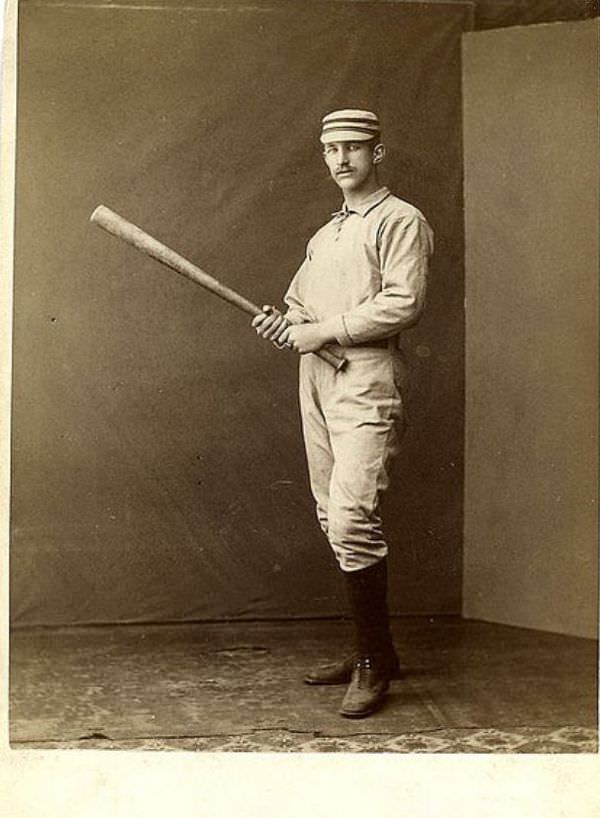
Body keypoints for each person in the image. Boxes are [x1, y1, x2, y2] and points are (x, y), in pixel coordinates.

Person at [252, 109, 433, 718]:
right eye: (331, 149)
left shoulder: (400, 220)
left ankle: (373, 661)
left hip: (366, 373)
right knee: (331, 513)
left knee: (353, 515)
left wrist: (322, 328)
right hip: (317, 377)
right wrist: (286, 323)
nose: (340, 159)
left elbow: (403, 302)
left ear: (377, 154)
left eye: (353, 148)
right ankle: (372, 649)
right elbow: (299, 303)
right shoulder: (326, 234)